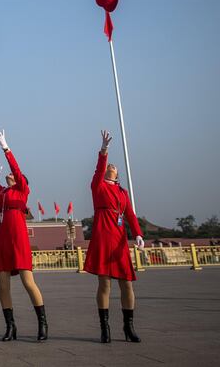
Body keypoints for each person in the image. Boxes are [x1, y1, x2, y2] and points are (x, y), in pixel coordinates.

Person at [0, 130, 48, 341]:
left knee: (28, 282)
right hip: (2, 241)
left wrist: (6, 148)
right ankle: (10, 326)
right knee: (3, 284)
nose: (9, 174)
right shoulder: (1, 192)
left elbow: (16, 170)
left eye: (13, 175)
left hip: (18, 240)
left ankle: (42, 323)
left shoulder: (22, 190)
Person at [84, 130, 144, 343]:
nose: (111, 166)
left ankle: (129, 327)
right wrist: (104, 149)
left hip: (119, 241)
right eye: (110, 165)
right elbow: (100, 168)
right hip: (102, 238)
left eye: (114, 166)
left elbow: (130, 215)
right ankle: (105, 328)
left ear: (117, 175)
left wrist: (137, 234)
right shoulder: (98, 186)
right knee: (105, 284)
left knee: (127, 284)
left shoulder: (123, 193)